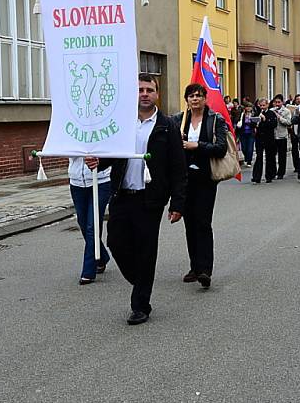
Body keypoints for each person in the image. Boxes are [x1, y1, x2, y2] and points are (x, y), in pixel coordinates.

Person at [85, 75, 186, 326]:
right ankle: (139, 279)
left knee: (146, 250)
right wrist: (99, 161)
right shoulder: (122, 123)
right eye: (140, 89)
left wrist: (177, 204)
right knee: (116, 243)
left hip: (150, 199)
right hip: (121, 194)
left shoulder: (167, 126)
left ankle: (140, 304)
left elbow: (178, 168)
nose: (144, 94)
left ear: (157, 94)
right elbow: (112, 154)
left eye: (149, 90)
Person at [174, 83, 228, 289]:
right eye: (191, 96)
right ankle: (195, 266)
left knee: (203, 223)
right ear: (186, 99)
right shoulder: (179, 120)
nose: (195, 99)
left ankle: (205, 269)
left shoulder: (215, 120)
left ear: (205, 98)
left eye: (199, 95)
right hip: (185, 179)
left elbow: (221, 148)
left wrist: (197, 145)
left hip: (205, 177)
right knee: (189, 224)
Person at [68, 157, 112, 285]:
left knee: (92, 226)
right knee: (83, 223)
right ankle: (102, 257)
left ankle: (88, 271)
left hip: (100, 181)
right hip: (77, 182)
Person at [251, 98, 278, 184]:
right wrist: (255, 122)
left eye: (264, 105)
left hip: (268, 138)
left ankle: (269, 176)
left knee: (269, 157)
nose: (262, 107)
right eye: (261, 105)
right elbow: (252, 124)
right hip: (259, 138)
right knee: (259, 157)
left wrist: (265, 119)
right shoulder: (257, 113)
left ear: (267, 105)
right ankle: (256, 177)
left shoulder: (271, 113)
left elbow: (274, 124)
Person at [271, 94, 293, 179]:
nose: (277, 104)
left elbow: (289, 122)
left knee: (282, 156)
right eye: (275, 102)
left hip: (282, 135)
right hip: (273, 135)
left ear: (282, 102)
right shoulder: (271, 110)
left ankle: (281, 172)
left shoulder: (286, 111)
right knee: (272, 155)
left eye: (279, 102)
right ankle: (273, 172)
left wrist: (279, 117)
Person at [289, 94, 300, 173]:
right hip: (294, 130)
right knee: (294, 149)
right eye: (297, 99)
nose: (298, 100)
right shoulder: (291, 108)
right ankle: (296, 166)